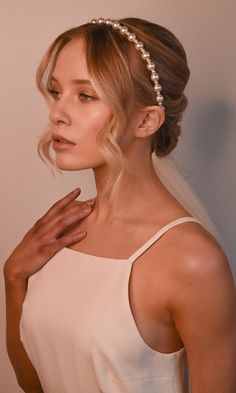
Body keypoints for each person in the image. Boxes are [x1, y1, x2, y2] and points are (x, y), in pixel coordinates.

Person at [3, 17, 236, 393]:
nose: (56, 113)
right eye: (56, 91)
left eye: (85, 95)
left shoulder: (192, 261)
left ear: (146, 120)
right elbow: (34, 385)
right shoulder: (59, 232)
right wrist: (14, 279)